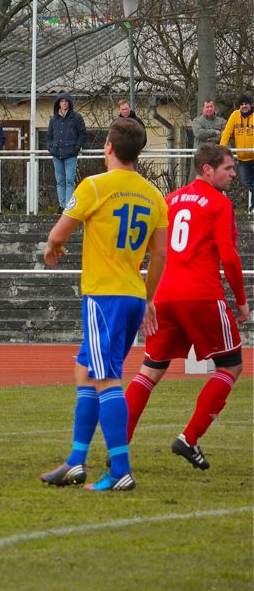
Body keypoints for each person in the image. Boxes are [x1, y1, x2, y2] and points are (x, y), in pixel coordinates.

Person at [40, 117, 168, 492]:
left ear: (108, 147)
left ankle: (120, 469)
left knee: (106, 377)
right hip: (133, 296)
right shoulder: (154, 195)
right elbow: (160, 254)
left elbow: (58, 233)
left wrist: (53, 248)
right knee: (85, 371)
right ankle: (76, 461)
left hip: (104, 297)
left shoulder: (95, 186)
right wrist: (149, 297)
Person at [123, 145, 248, 471]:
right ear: (207, 169)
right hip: (202, 296)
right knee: (231, 366)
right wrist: (241, 299)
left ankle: (118, 447)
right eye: (228, 168)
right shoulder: (219, 203)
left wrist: (146, 296)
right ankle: (189, 438)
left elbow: (148, 248)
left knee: (150, 371)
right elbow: (229, 256)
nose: (233, 173)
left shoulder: (170, 200)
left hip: (164, 296)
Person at [47, 92, 87, 209]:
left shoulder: (76, 117)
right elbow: (49, 136)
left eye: (66, 101)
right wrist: (51, 148)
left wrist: (76, 148)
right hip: (56, 153)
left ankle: (68, 206)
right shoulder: (53, 119)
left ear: (69, 103)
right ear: (58, 103)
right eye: (62, 101)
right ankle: (62, 205)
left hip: (71, 154)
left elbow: (82, 134)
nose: (64, 103)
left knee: (69, 181)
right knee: (60, 181)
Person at [218, 93, 254, 205]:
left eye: (246, 104)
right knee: (245, 181)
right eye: (241, 104)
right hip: (242, 159)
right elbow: (227, 132)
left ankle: (253, 208)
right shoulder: (235, 115)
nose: (244, 106)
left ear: (250, 105)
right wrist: (221, 148)